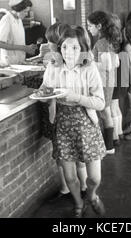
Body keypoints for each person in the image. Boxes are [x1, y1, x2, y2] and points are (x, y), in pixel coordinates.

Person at [41, 25, 106, 218]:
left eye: (75, 48)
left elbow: (100, 102)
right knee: (70, 175)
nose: (69, 53)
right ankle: (78, 203)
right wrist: (45, 95)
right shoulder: (53, 67)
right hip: (62, 122)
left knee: (94, 177)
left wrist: (75, 97)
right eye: (65, 48)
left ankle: (92, 195)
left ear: (83, 48)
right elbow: (44, 90)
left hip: (85, 122)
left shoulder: (89, 68)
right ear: (60, 49)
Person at [41, 23, 89, 203]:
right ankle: (78, 190)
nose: (48, 45)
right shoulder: (62, 61)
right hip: (72, 115)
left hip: (69, 115)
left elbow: (48, 90)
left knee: (68, 156)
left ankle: (74, 190)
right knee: (72, 156)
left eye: (50, 42)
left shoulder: (60, 62)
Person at [87, 11, 123, 153]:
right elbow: (116, 63)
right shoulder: (109, 40)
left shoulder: (101, 42)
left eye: (90, 26)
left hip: (104, 82)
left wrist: (89, 62)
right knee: (105, 112)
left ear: (99, 26)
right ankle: (111, 142)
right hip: (109, 81)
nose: (89, 29)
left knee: (105, 113)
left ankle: (109, 147)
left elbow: (107, 65)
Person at [0, 0, 37, 64]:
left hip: (19, 61)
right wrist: (24, 48)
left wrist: (28, 48)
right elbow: (0, 44)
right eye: (25, 11)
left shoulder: (19, 20)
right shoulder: (6, 19)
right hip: (9, 62)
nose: (26, 14)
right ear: (17, 10)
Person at [108, 13, 124, 146]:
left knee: (112, 107)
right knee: (116, 106)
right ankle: (119, 132)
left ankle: (115, 137)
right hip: (120, 74)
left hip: (112, 75)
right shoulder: (119, 37)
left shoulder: (109, 41)